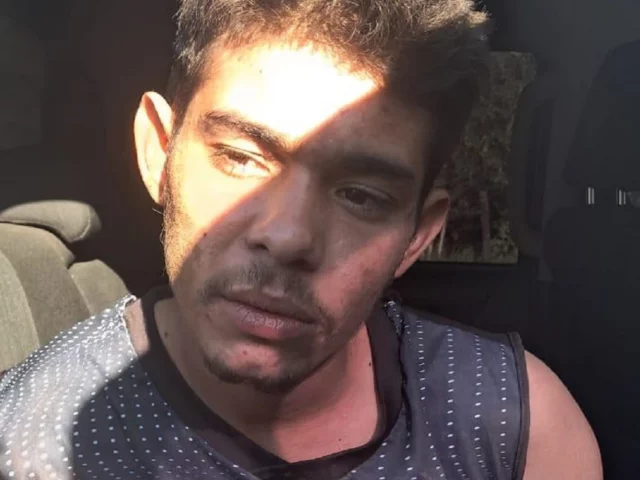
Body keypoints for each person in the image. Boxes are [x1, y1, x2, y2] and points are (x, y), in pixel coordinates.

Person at [0, 0, 602, 479]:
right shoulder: (29, 442)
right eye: (239, 158)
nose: (287, 237)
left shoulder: (518, 428)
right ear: (159, 151)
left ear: (417, 235)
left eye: (361, 195)